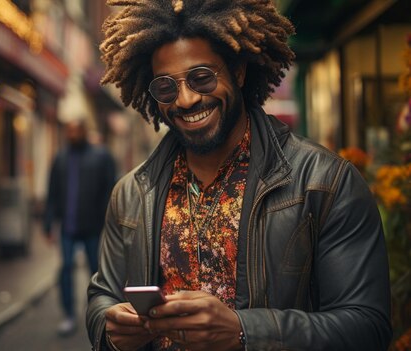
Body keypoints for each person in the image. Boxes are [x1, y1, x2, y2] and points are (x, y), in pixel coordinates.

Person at [87, 1, 392, 350]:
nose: (185, 100)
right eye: (167, 88)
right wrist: (110, 332)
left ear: (239, 72)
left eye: (202, 77)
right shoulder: (130, 195)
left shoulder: (325, 182)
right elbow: (102, 296)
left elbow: (367, 327)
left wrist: (244, 331)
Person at [44, 119, 117, 336]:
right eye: (70, 131)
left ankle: (96, 312)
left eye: (76, 131)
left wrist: (107, 218)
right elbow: (52, 191)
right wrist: (48, 222)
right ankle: (68, 314)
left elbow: (110, 188)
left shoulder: (101, 156)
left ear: (84, 132)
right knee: (66, 267)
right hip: (67, 225)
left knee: (95, 271)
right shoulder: (61, 158)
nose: (72, 135)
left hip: (92, 225)